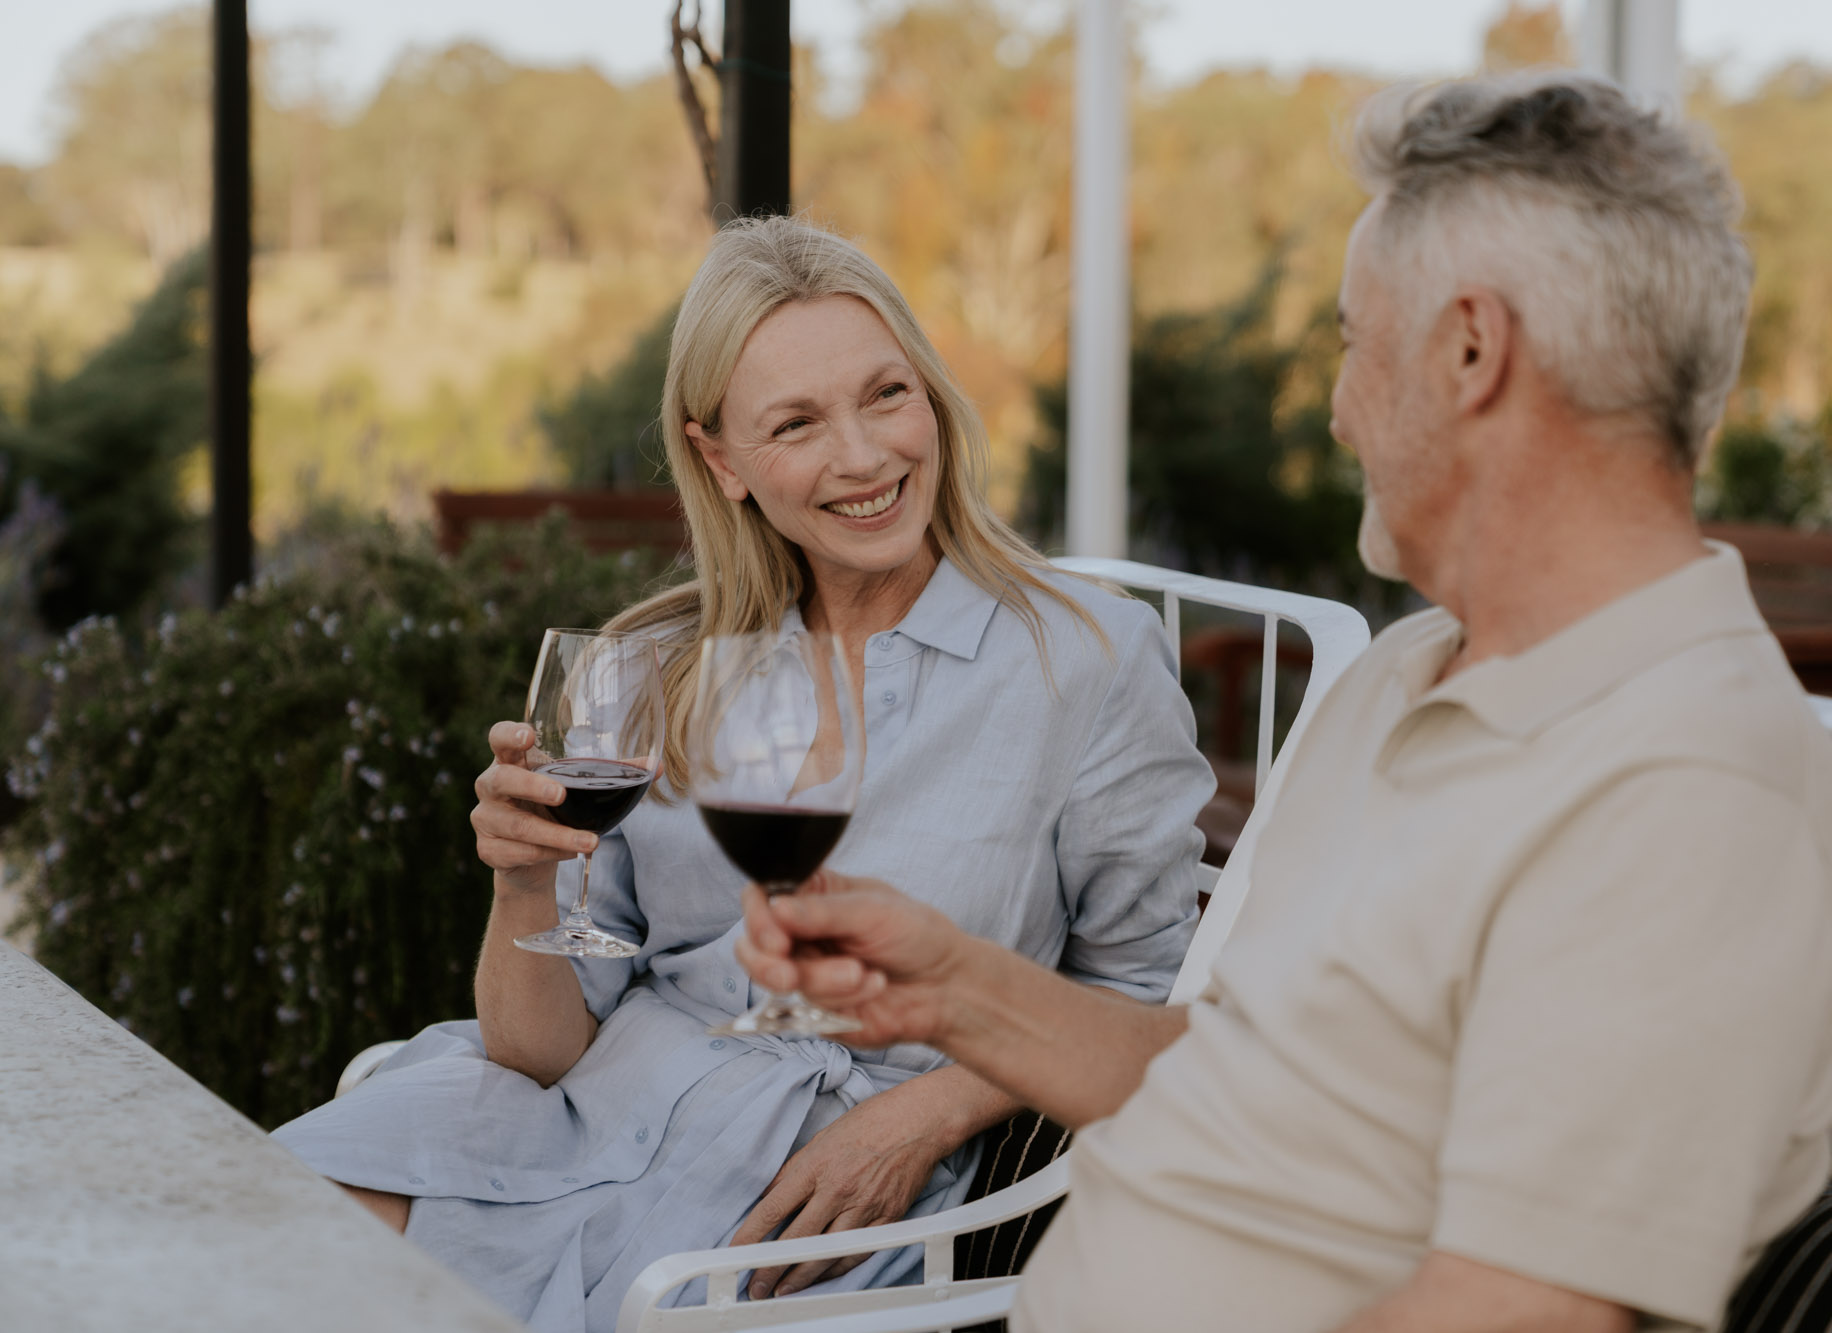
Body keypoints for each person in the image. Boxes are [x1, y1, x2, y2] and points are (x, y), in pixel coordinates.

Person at [736, 73, 1832, 1333]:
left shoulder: (1688, 785)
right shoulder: (1399, 676)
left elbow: (1514, 1311)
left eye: (1351, 342)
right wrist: (953, 989)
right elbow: (1234, 1069)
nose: (1337, 411)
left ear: (1466, 352)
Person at [271, 216, 1213, 1332]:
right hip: (584, 1105)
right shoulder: (662, 664)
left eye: (886, 395)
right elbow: (537, 1050)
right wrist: (520, 881)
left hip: (815, 1188)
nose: (863, 457)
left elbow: (1145, 996)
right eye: (796, 423)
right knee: (250, 1237)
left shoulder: (1084, 659)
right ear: (721, 460)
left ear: (932, 399)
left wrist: (929, 1112)